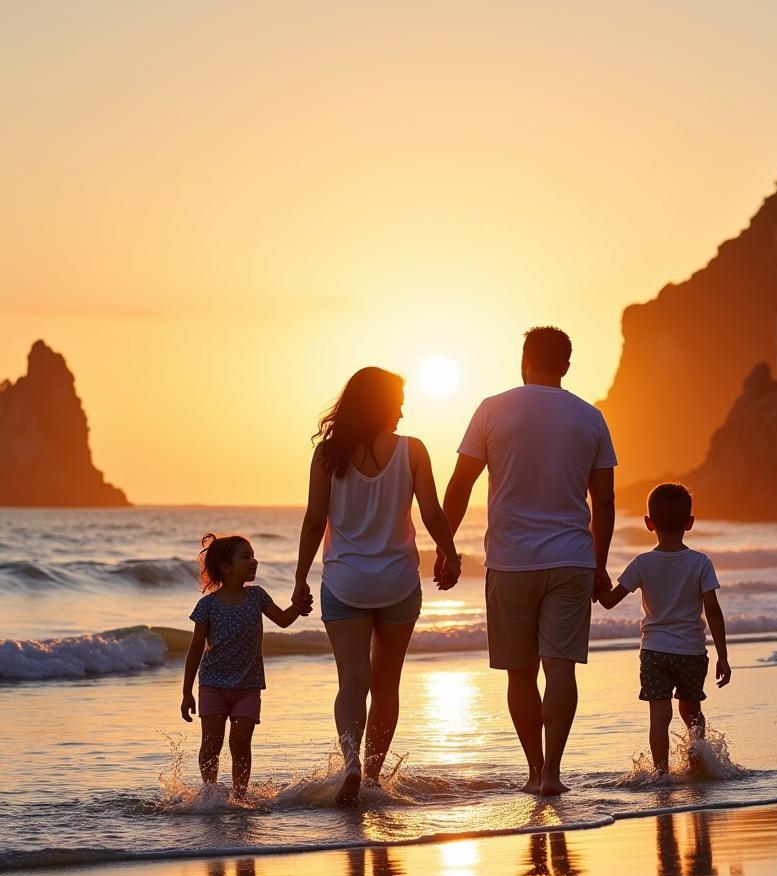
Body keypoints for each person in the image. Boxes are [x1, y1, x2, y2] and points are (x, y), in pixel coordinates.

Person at [436, 326, 617, 796]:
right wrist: (599, 565)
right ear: (567, 365)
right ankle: (554, 773)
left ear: (523, 359)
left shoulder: (492, 408)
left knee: (520, 672)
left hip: (511, 561)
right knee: (561, 669)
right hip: (572, 559)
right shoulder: (591, 417)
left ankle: (534, 771)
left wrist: (446, 549)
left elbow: (460, 486)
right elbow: (605, 501)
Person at [292, 367, 461, 805]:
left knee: (351, 681)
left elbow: (314, 521)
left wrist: (299, 579)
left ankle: (350, 761)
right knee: (386, 685)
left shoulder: (328, 455)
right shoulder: (413, 451)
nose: (403, 410)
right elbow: (432, 513)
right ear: (382, 403)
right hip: (398, 583)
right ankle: (371, 776)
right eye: (398, 401)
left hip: (345, 582)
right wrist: (450, 552)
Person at [596, 483, 731, 775]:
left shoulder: (642, 564)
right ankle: (698, 765)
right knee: (691, 712)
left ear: (648, 523)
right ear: (690, 523)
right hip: (691, 652)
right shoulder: (700, 563)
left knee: (659, 716)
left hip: (655, 651)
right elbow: (713, 610)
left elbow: (608, 602)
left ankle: (661, 776)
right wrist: (723, 655)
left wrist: (593, 577)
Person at [180, 533, 312, 798]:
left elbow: (284, 620)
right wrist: (186, 692)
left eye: (253, 555)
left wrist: (299, 607)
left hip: (249, 686)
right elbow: (195, 649)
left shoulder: (257, 596)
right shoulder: (207, 606)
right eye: (246, 556)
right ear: (226, 567)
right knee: (211, 744)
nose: (254, 561)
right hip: (212, 684)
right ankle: (210, 796)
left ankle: (240, 796)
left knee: (240, 742)